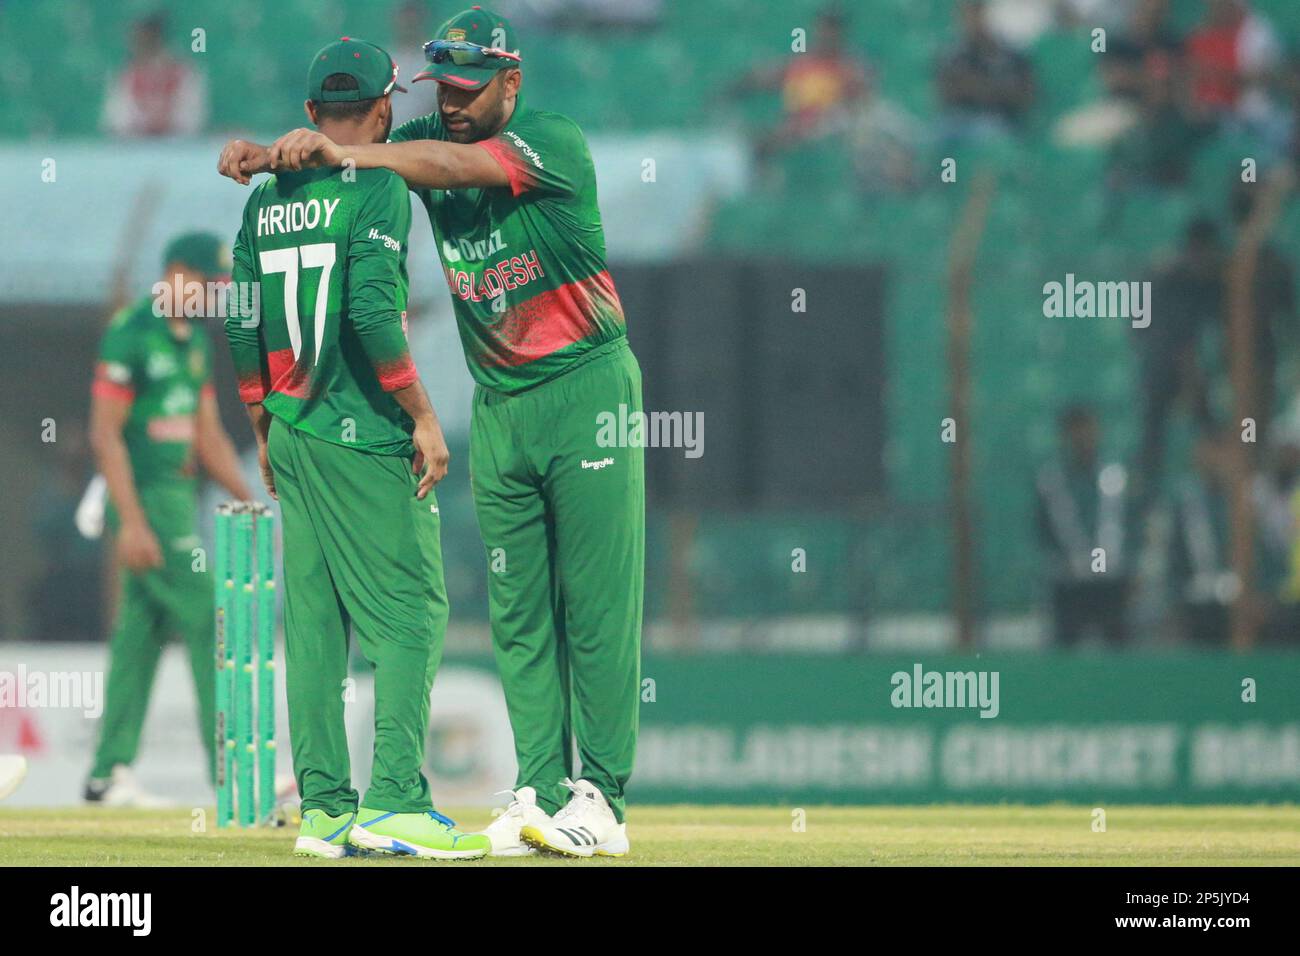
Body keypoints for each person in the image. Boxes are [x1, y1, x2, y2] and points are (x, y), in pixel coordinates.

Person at [218, 6, 644, 859]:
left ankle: (601, 799)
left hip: (585, 385)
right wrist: (274, 155)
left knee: (593, 609)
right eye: (439, 87)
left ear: (510, 84)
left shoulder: (551, 139)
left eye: (467, 89)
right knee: (519, 615)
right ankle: (542, 790)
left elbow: (436, 161)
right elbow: (360, 148)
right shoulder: (418, 132)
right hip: (500, 404)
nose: (449, 102)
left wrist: (336, 149)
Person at [225, 37, 486, 860]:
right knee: (413, 615)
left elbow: (243, 321)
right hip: (360, 431)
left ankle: (327, 813)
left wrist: (263, 425)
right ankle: (398, 803)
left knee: (314, 627)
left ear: (311, 114)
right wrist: (424, 415)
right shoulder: (377, 187)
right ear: (383, 109)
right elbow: (375, 317)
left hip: (293, 430)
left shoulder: (262, 200)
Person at [86, 232, 253, 806]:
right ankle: (232, 770)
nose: (212, 295)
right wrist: (130, 522)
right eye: (207, 283)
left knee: (141, 633)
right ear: (177, 272)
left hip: (178, 500)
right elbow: (104, 434)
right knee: (212, 615)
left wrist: (250, 493)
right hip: (146, 501)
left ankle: (108, 773)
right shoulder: (132, 330)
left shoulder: (194, 341)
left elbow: (207, 432)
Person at [1036, 406, 1133, 646]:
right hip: (1069, 584)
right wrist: (1060, 561)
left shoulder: (1116, 476)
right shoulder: (1051, 480)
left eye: (1088, 430)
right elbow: (1041, 530)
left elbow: (1132, 524)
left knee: (1119, 656)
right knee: (1064, 657)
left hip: (1112, 582)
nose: (1083, 438)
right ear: (1065, 436)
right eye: (1076, 432)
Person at [101, 13, 208, 138]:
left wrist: (166, 123)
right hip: (135, 148)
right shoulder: (126, 76)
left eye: (147, 38)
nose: (142, 43)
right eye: (139, 39)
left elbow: (193, 119)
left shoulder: (185, 74)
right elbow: (117, 122)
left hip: (178, 147)